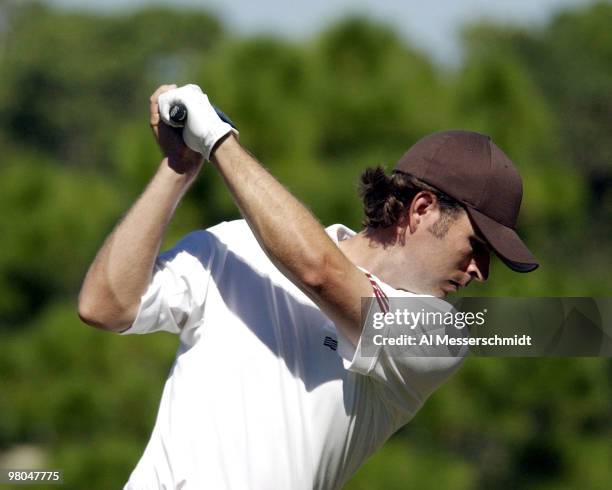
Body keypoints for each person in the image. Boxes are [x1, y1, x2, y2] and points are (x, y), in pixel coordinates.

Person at [78, 84, 539, 489]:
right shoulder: (236, 243)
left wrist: (218, 140)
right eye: (477, 245)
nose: (482, 270)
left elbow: (319, 271)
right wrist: (178, 167)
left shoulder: (439, 336)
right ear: (421, 210)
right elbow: (106, 305)